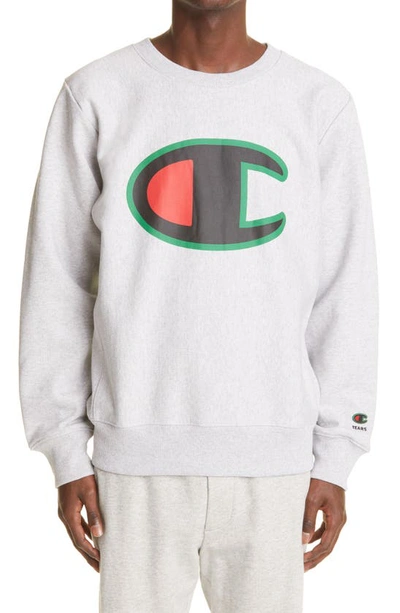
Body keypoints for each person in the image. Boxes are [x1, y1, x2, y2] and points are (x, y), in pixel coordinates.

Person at [18, 0, 379, 611]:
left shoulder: (319, 103)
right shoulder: (96, 94)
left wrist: (339, 451)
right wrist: (63, 447)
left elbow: (346, 287)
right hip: (133, 464)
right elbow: (58, 281)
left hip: (277, 465)